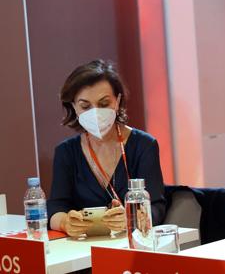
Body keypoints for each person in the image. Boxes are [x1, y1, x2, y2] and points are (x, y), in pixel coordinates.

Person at [47, 59, 166, 237]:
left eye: (103, 104)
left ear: (117, 101)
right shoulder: (66, 152)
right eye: (85, 106)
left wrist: (133, 218)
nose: (95, 113)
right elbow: (56, 207)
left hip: (133, 245)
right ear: (74, 107)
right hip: (83, 249)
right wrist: (65, 222)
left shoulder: (144, 145)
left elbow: (157, 206)